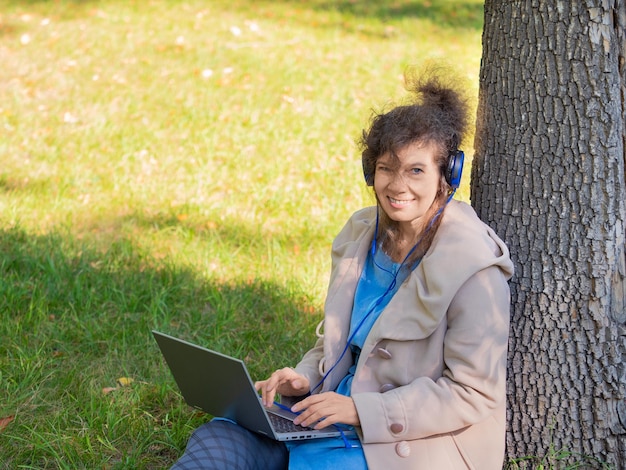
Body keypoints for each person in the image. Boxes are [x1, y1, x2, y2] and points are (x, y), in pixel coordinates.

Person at [171, 66, 514, 470]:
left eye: (416, 170)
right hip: (327, 420)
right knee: (222, 435)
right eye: (387, 167)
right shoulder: (360, 233)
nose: (397, 185)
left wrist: (360, 410)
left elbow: (472, 393)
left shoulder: (474, 269)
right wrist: (303, 380)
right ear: (371, 170)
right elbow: (339, 347)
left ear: (447, 176)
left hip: (400, 445)